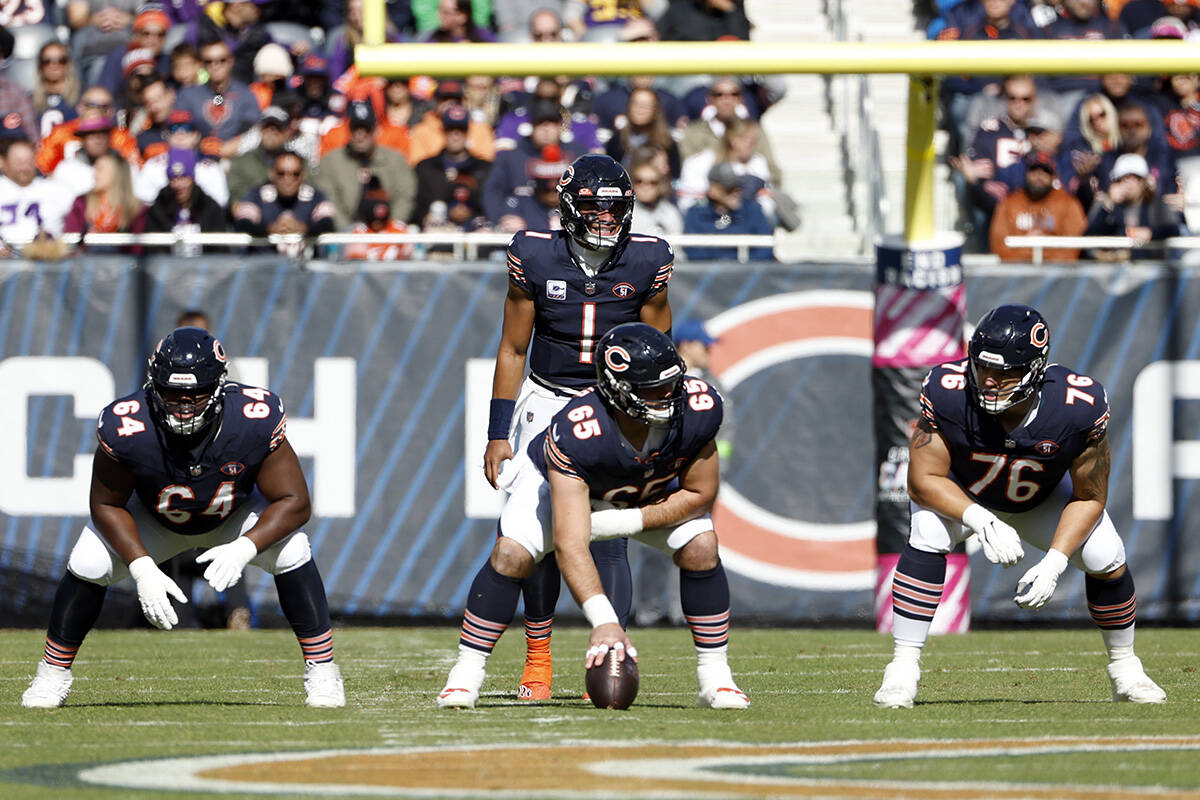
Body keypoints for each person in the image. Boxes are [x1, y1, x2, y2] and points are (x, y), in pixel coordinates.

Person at [20, 327, 345, 708]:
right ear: (154, 385)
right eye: (173, 393)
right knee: (88, 562)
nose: (184, 405)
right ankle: (52, 673)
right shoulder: (127, 425)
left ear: (220, 387)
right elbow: (106, 505)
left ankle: (322, 670)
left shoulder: (253, 417)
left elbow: (295, 501)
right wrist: (141, 566)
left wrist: (245, 547)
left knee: (292, 550)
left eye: (197, 393)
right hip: (156, 518)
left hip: (232, 514)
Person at [439, 322, 749, 710]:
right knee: (511, 555)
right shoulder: (580, 429)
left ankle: (715, 677)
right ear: (618, 391)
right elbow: (570, 544)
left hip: (637, 500)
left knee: (702, 545)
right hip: (561, 494)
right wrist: (605, 621)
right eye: (654, 389)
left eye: (673, 384)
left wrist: (623, 522)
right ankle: (466, 673)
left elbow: (700, 495)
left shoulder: (698, 407)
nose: (669, 397)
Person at [873, 305, 1167, 709]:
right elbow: (923, 481)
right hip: (965, 495)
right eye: (983, 369)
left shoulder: (1077, 406)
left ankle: (1125, 668)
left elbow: (1090, 496)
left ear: (1034, 370)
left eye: (1006, 373)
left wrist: (1055, 562)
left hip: (1039, 500)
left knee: (1105, 554)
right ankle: (902, 670)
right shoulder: (947, 388)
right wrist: (979, 519)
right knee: (928, 532)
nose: (990, 382)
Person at [481, 154, 675, 701]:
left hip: (615, 405)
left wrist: (657, 429)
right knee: (537, 531)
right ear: (569, 206)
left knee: (611, 534)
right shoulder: (534, 254)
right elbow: (514, 347)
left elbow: (657, 351)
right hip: (547, 397)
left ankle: (610, 648)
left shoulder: (648, 260)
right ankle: (538, 656)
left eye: (615, 208)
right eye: (594, 207)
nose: (606, 218)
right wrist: (499, 431)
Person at [313, 99, 416, 229]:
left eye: (366, 129)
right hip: (344, 235)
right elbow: (328, 200)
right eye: (355, 129)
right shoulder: (331, 161)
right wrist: (350, 233)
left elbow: (405, 196)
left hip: (388, 233)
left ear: (376, 130)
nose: (360, 135)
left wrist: (391, 230)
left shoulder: (395, 159)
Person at [989, 151, 1088, 262]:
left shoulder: (1068, 204)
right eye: (1034, 170)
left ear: (1053, 177)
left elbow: (1073, 249)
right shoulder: (1008, 204)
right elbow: (999, 246)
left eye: (1045, 172)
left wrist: (1045, 244)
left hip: (1056, 271)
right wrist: (1025, 244)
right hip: (1017, 270)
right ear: (1026, 173)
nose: (1039, 176)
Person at [681, 161, 774, 261]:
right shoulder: (696, 214)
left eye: (738, 186)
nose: (736, 192)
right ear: (713, 191)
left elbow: (765, 249)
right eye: (729, 188)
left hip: (747, 273)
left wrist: (740, 268)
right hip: (708, 274)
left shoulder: (753, 210)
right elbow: (692, 251)